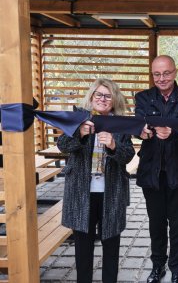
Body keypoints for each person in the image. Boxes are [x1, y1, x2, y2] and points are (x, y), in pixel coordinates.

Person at [57, 78, 135, 283]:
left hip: (111, 193)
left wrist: (113, 146)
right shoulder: (78, 119)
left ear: (114, 99)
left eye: (108, 95)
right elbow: (62, 146)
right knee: (83, 248)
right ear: (91, 97)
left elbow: (128, 156)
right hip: (81, 193)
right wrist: (80, 135)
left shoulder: (121, 123)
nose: (102, 99)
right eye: (98, 94)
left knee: (111, 246)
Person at [135, 55, 178, 283]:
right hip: (151, 169)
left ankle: (177, 269)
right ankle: (157, 266)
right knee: (156, 223)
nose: (161, 78)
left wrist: (170, 130)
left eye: (166, 73)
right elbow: (138, 124)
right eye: (156, 74)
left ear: (175, 72)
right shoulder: (142, 97)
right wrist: (147, 130)